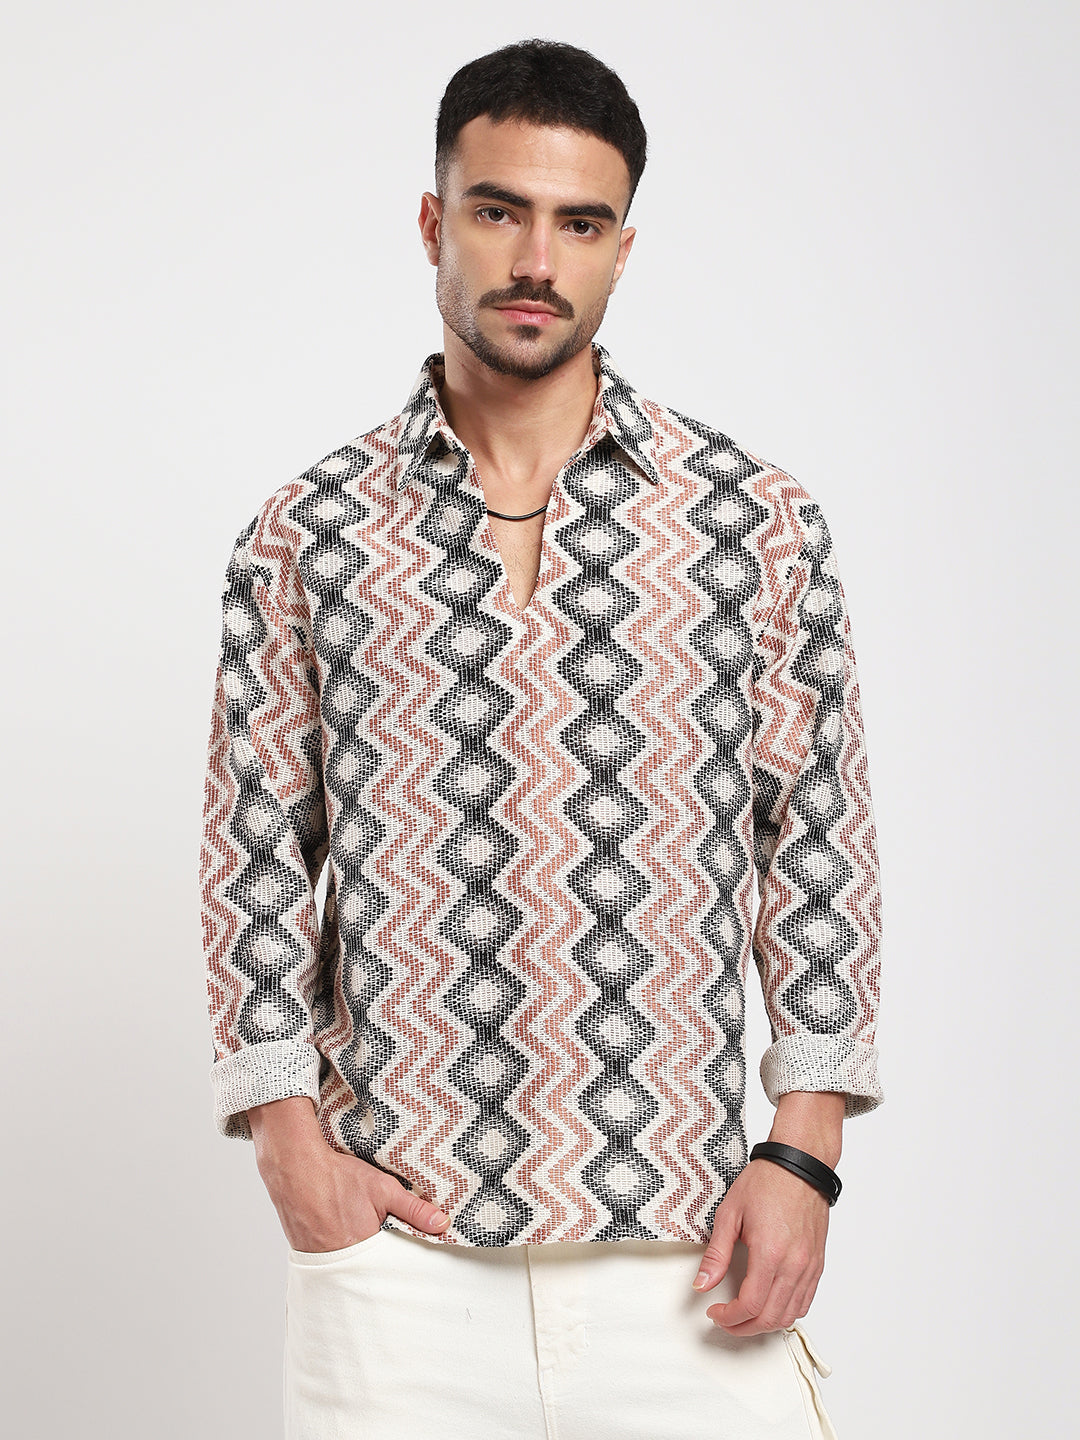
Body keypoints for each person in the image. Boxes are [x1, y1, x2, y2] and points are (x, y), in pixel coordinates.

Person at [200, 37, 883, 1440]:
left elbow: (818, 847)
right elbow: (253, 857)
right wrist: (289, 1149)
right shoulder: (308, 533)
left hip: (690, 1252)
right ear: (433, 222)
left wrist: (804, 1154)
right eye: (500, 210)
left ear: (623, 248)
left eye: (579, 224)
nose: (535, 260)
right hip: (398, 1264)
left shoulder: (752, 522)